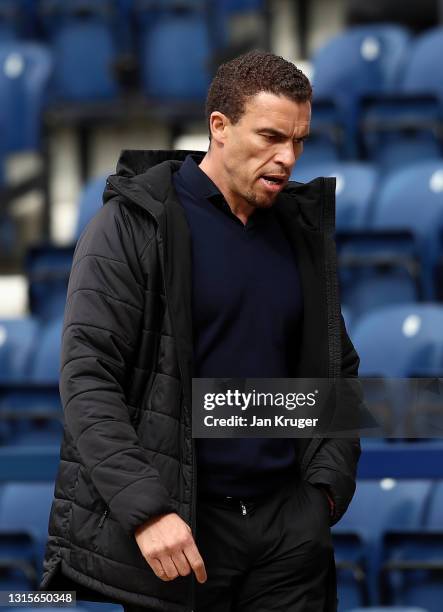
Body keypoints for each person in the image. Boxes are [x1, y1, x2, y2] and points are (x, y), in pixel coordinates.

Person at [40, 50, 361, 612]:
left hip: (289, 537)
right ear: (219, 127)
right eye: (270, 137)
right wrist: (147, 511)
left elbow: (339, 370)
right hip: (179, 536)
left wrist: (323, 497)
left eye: (299, 140)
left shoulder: (298, 232)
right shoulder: (133, 223)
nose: (287, 158)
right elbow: (88, 379)